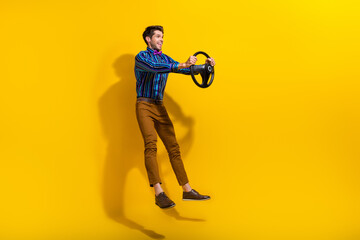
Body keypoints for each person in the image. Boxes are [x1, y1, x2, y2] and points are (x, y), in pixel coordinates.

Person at [134, 25, 216, 209]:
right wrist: (180, 65)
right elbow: (154, 68)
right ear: (148, 39)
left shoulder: (165, 58)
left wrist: (205, 67)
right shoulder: (141, 57)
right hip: (144, 105)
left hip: (159, 106)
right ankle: (159, 193)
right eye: (157, 36)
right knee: (151, 145)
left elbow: (184, 70)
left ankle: (187, 190)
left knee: (174, 147)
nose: (161, 39)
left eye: (162, 36)